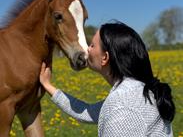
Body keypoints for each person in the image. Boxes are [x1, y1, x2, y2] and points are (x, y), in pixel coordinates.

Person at [40, 21, 175, 137]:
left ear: (105, 58)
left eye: (92, 45)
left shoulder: (123, 107)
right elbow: (86, 111)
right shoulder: (136, 90)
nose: (87, 48)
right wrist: (48, 85)